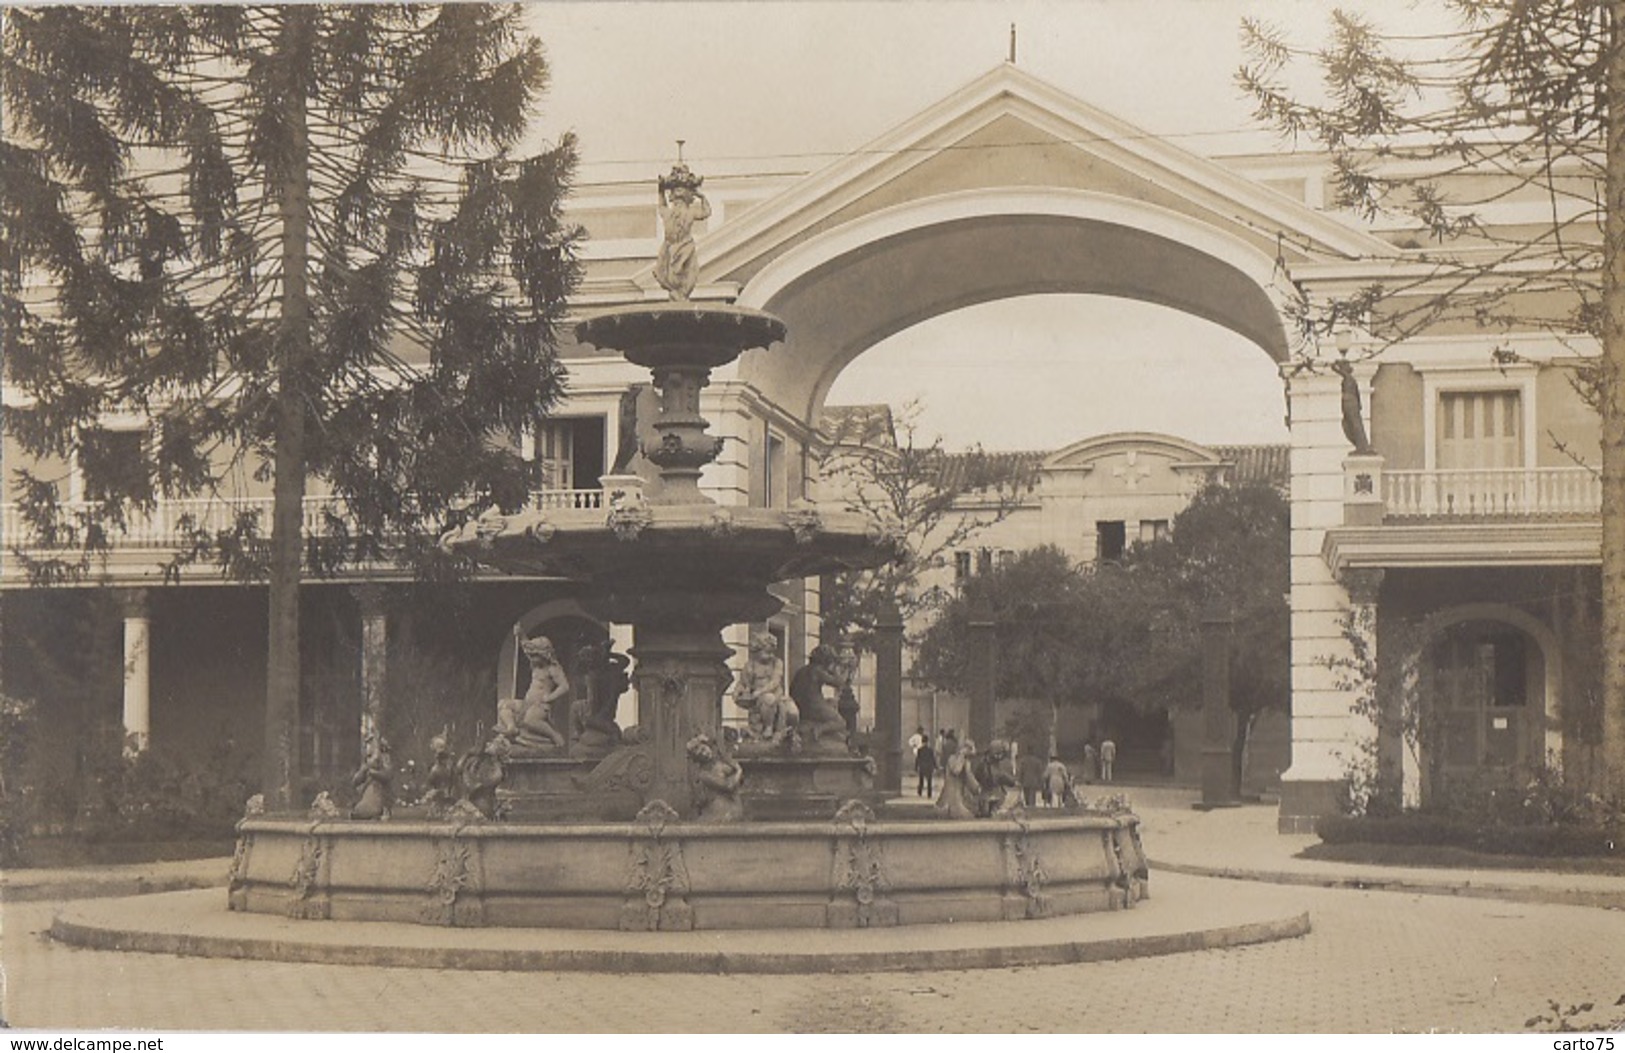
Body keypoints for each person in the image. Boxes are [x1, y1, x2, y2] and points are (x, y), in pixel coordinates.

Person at [498, 636, 568, 753]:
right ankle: (512, 727)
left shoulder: (553, 669)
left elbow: (565, 686)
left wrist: (550, 697)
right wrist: (520, 634)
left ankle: (554, 735)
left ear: (544, 654)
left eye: (535, 656)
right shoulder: (535, 666)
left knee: (530, 720)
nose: (532, 658)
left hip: (540, 705)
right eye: (531, 656)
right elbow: (526, 647)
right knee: (504, 704)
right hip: (527, 702)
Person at [653, 163, 711, 300]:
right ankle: (677, 293)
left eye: (682, 198)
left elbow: (706, 212)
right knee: (669, 275)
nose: (678, 204)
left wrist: (702, 197)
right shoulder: (668, 213)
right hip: (670, 247)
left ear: (688, 197)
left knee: (686, 273)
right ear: (672, 197)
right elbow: (661, 205)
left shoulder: (690, 212)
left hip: (685, 246)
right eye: (676, 199)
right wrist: (660, 191)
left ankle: (681, 293)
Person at [734, 631, 789, 743]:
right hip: (756, 698)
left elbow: (775, 681)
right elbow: (743, 683)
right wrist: (737, 691)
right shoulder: (750, 665)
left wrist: (761, 691)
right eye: (766, 652)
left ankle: (769, 727)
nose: (770, 655)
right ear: (757, 651)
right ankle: (759, 730)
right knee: (764, 700)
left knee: (769, 699)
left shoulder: (776, 663)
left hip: (774, 694)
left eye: (772, 652)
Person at [935, 738, 981, 819]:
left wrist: (976, 787)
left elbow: (969, 778)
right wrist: (961, 755)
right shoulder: (952, 759)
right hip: (951, 795)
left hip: (961, 793)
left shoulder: (966, 761)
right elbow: (956, 770)